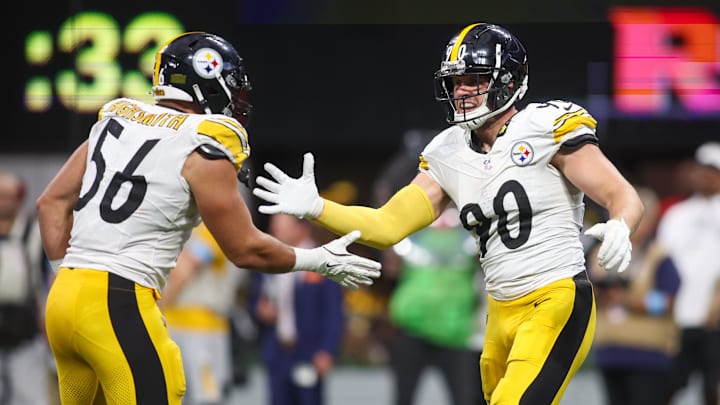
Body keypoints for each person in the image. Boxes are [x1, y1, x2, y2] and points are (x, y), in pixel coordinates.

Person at [251, 22, 644, 404]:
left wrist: (622, 224)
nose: (462, 91)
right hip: (499, 310)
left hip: (556, 297)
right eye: (456, 81)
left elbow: (621, 194)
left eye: (473, 79)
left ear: (507, 79)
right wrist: (318, 208)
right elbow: (386, 226)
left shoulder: (545, 126)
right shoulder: (447, 152)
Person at [35, 31, 381, 405]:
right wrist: (320, 260)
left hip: (64, 298)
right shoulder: (203, 145)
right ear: (208, 81)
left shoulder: (116, 124)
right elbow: (247, 250)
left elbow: (50, 203)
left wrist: (70, 279)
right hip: (119, 301)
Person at [589, 186, 681, 405]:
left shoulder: (659, 256)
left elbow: (668, 302)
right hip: (609, 352)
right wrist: (599, 295)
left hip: (648, 354)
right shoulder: (598, 251)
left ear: (650, 221)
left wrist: (628, 302)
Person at [385, 204, 485, 405]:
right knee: (404, 397)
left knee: (465, 398)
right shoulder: (410, 236)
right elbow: (391, 267)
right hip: (412, 329)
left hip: (455, 332)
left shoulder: (472, 237)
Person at [249, 213, 345, 405]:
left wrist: (326, 350)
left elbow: (333, 312)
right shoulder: (268, 262)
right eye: (274, 227)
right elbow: (254, 300)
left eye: (282, 227)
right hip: (278, 352)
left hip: (308, 353)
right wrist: (260, 310)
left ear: (301, 228)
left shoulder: (321, 262)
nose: (276, 232)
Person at [657, 141, 720, 405]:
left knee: (713, 390)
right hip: (678, 318)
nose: (703, 174)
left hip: (715, 320)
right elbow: (660, 262)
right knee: (666, 389)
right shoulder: (676, 214)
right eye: (700, 168)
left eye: (712, 169)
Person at [159, 221, 249, 405]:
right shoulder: (181, 220)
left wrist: (153, 308)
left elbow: (184, 270)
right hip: (173, 324)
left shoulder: (213, 225)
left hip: (203, 327)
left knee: (206, 398)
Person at [0, 172, 52, 405]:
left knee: (28, 396)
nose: (4, 202)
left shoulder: (33, 233)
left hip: (25, 332)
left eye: (9, 196)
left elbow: (44, 283)